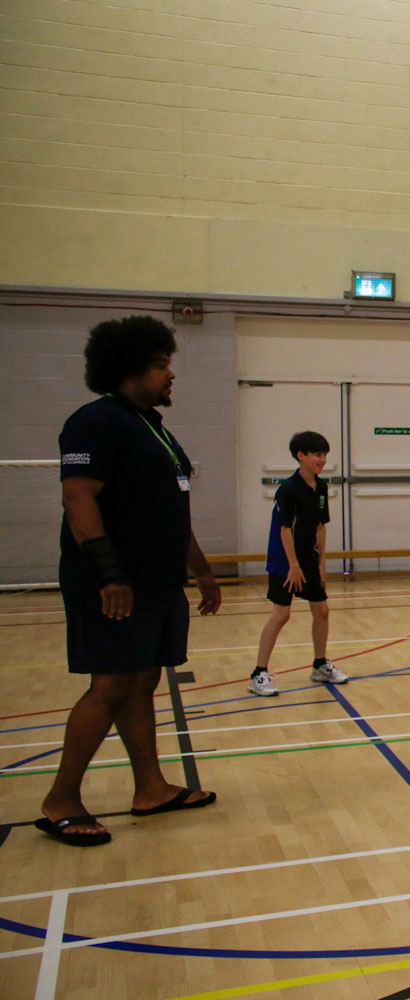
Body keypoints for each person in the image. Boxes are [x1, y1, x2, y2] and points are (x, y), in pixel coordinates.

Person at [37, 316, 221, 847]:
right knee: (112, 684)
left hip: (159, 582)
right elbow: (78, 498)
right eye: (163, 365)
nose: (171, 375)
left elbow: (171, 510)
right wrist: (108, 574)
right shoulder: (94, 422)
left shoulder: (153, 427)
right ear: (129, 368)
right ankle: (61, 800)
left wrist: (202, 570)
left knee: (143, 680)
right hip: (115, 584)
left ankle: (151, 789)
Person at [247, 431, 347, 696]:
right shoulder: (288, 490)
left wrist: (321, 562)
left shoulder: (322, 488)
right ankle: (258, 674)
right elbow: (284, 530)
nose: (322, 459)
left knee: (322, 610)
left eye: (325, 454)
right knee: (281, 615)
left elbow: (320, 528)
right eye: (317, 454)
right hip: (285, 562)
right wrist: (292, 565)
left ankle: (319, 665)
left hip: (308, 561)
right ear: (301, 456)